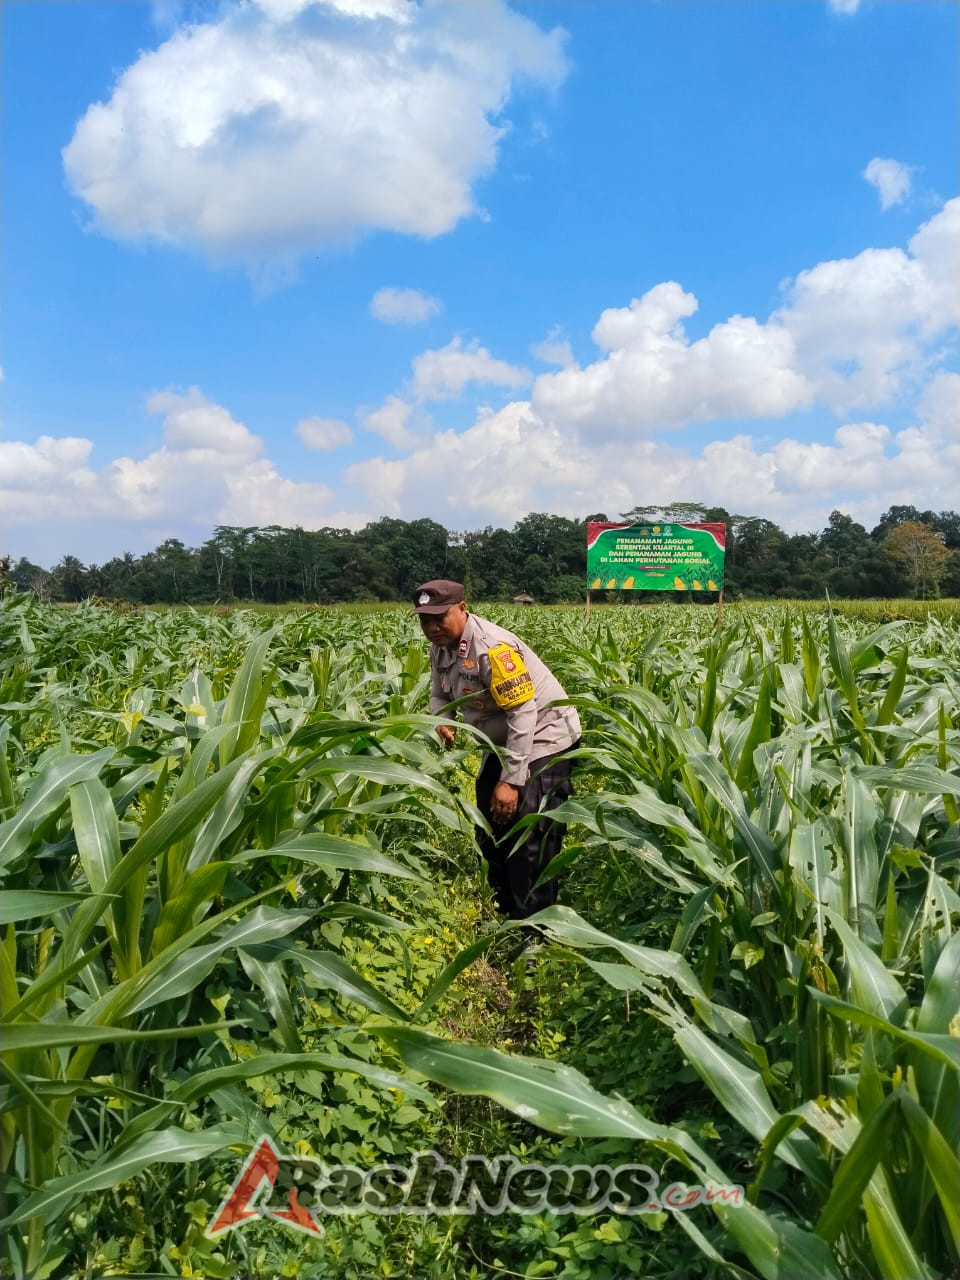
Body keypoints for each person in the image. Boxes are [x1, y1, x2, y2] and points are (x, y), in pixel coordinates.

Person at [412, 579, 582, 919]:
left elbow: (523, 713)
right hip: (504, 741)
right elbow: (439, 693)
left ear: (462, 608)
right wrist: (440, 718)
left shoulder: (493, 648)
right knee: (490, 820)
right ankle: (503, 907)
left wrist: (512, 780)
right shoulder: (440, 646)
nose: (431, 627)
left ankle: (536, 926)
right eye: (424, 620)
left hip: (544, 733)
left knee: (528, 824)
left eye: (439, 617)